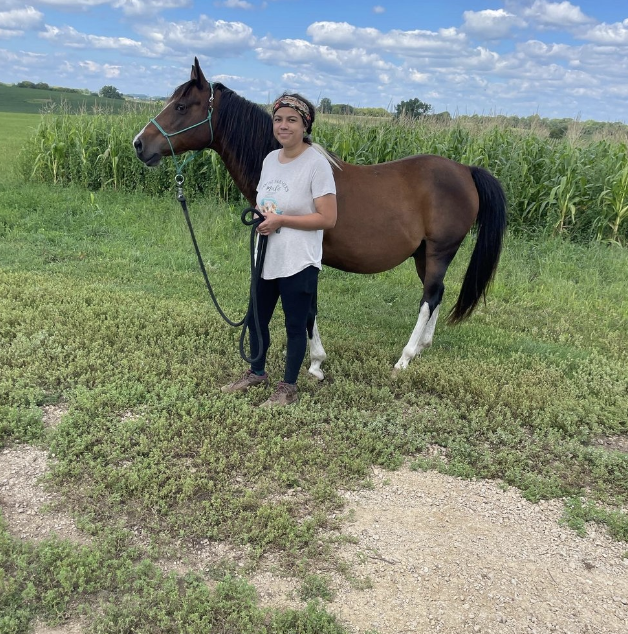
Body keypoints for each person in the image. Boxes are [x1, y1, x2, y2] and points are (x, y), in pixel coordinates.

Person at [221, 93, 337, 406]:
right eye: (278, 119)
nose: (283, 126)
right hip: (267, 255)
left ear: (305, 125)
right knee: (256, 318)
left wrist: (281, 220)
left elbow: (328, 217)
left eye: (291, 120)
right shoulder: (271, 160)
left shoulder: (316, 165)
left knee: (295, 325)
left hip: (299, 260)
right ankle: (257, 371)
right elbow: (265, 202)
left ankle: (288, 387)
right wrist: (262, 217)